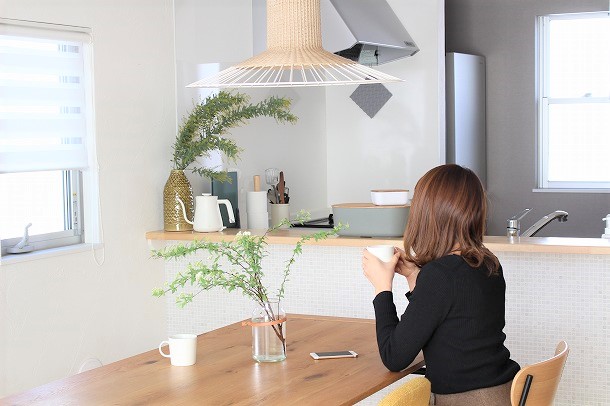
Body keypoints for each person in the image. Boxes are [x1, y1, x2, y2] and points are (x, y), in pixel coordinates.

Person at [362, 164, 519, 406]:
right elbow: (450, 321)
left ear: (427, 214)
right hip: (505, 393)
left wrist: (382, 288)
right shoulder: (488, 263)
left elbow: (394, 357)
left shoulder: (440, 275)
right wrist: (414, 277)